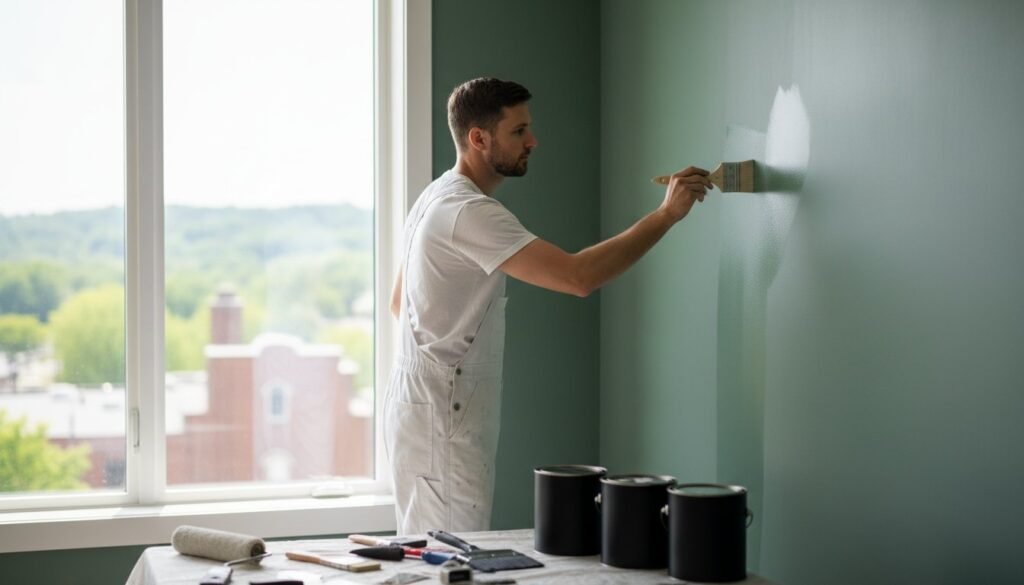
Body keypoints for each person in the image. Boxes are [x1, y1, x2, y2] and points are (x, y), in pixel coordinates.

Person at [384, 77, 711, 534]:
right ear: (479, 138)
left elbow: (400, 304)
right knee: (451, 559)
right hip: (443, 418)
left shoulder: (435, 195)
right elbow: (578, 277)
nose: (532, 141)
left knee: (429, 551)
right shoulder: (468, 212)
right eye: (518, 131)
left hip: (417, 411)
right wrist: (666, 215)